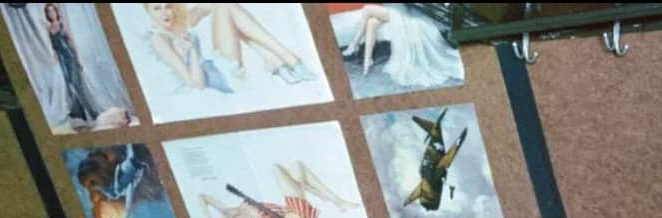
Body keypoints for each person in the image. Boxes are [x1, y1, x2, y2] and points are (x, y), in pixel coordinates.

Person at [143, 2, 316, 92]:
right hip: (219, 77)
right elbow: (196, 84)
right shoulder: (160, 39)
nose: (165, 13)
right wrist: (193, 52)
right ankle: (286, 59)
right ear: (148, 11)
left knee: (226, 7)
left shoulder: (178, 24)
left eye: (168, 7)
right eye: (157, 8)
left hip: (217, 68)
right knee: (227, 9)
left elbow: (207, 6)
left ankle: (276, 60)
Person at [201, 160, 358, 218]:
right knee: (284, 171)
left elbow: (204, 198)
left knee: (294, 169)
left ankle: (329, 198)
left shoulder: (232, 211)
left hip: (293, 206)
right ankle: (331, 199)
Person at [337, 3, 463, 86]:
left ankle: (354, 44)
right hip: (394, 8)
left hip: (404, 11)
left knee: (367, 9)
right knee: (371, 23)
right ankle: (367, 60)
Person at [44, 3, 99, 123]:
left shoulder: (63, 24)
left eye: (53, 11)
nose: (52, 13)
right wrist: (54, 53)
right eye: (49, 12)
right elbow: (53, 45)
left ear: (57, 12)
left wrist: (78, 59)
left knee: (77, 85)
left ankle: (92, 113)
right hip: (61, 60)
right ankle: (80, 114)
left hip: (70, 57)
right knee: (69, 86)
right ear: (47, 14)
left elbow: (72, 43)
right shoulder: (49, 28)